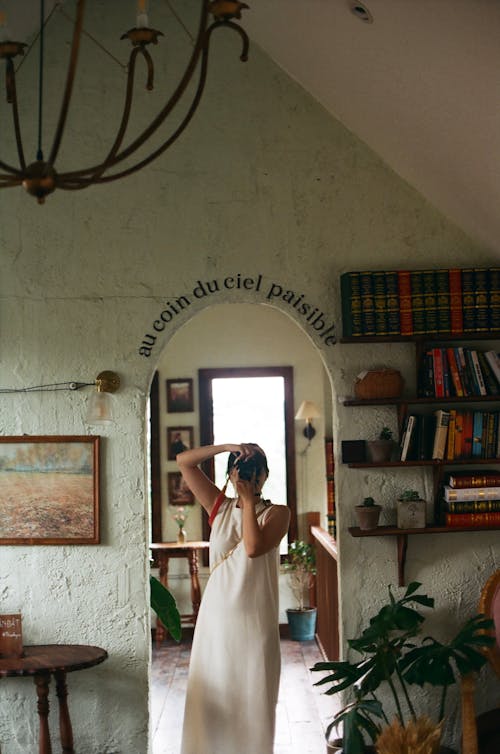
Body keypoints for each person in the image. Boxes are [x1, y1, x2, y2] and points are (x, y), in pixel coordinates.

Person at [177, 442, 290, 754]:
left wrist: (248, 501)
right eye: (244, 472)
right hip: (216, 623)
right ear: (231, 473)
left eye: (257, 472)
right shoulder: (219, 506)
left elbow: (253, 549)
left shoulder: (278, 514)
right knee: (211, 702)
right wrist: (229, 447)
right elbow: (184, 462)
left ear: (266, 476)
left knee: (253, 704)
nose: (251, 478)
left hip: (254, 624)